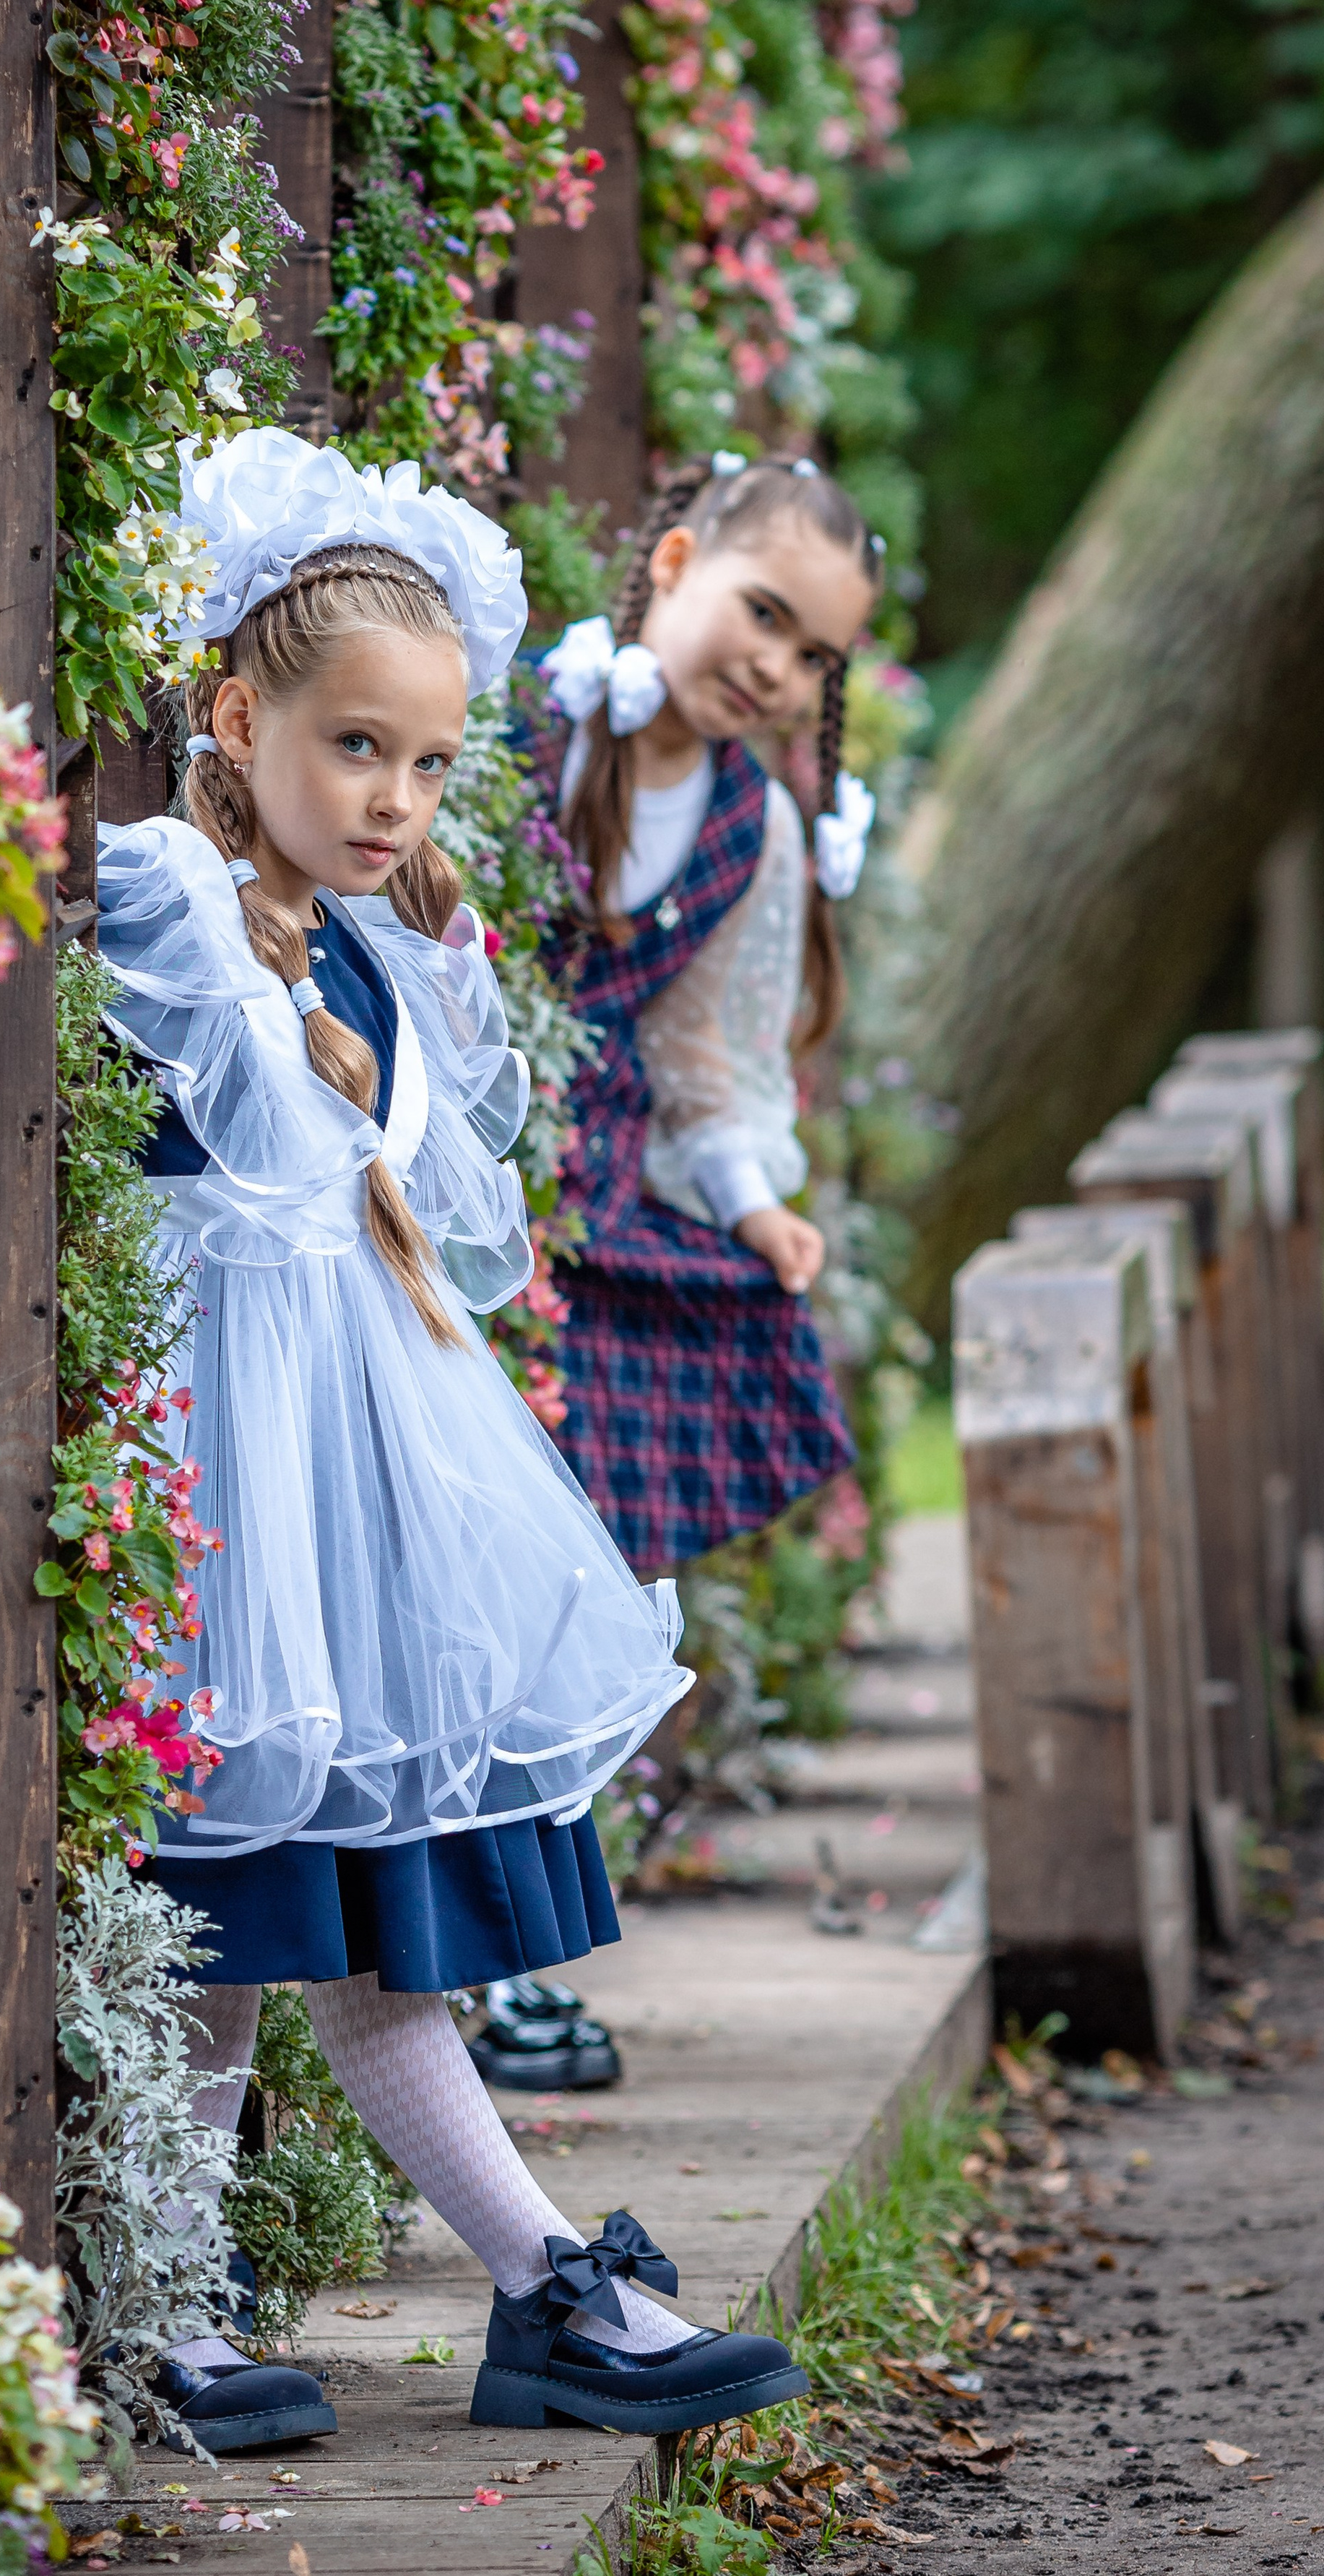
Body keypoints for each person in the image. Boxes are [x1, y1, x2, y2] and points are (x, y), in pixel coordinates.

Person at [92, 426, 809, 2452]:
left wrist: (416, 946)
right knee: (229, 1915)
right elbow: (229, 1147)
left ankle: (487, 2290)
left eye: (425, 763)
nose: (393, 801)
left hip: (367, 1481)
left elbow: (451, 1215)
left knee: (338, 1909)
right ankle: (230, 2300)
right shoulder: (173, 899)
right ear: (236, 714)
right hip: (224, 1481)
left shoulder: (396, 944)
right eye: (353, 751)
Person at [524, 453, 883, 1580]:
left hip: (591, 1185)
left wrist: (752, 1206)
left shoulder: (750, 826)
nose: (778, 668)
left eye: (813, 654)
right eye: (764, 615)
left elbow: (692, 1047)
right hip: (436, 1136)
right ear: (677, 565)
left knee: (752, 1320)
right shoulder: (532, 717)